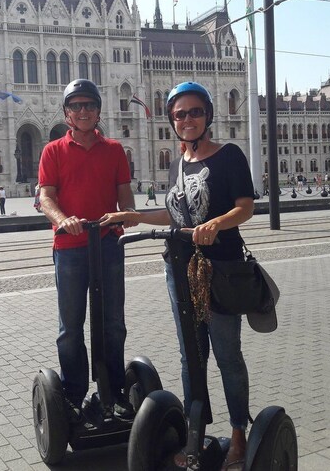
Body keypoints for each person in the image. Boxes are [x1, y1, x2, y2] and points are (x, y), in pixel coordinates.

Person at [101, 81, 255, 469]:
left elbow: (245, 206)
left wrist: (216, 224)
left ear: (207, 115)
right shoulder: (178, 162)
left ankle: (239, 432)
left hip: (219, 268)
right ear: (173, 120)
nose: (187, 119)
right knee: (191, 356)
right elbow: (176, 214)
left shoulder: (229, 156)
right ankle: (195, 435)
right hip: (179, 269)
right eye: (180, 114)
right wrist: (133, 217)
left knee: (226, 354)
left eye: (194, 112)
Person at [38, 78, 137, 422]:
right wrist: (63, 220)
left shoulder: (114, 150)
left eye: (89, 105)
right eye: (76, 106)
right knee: (70, 328)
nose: (83, 111)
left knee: (113, 324)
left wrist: (124, 215)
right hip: (70, 248)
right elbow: (46, 197)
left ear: (97, 112)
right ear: (66, 113)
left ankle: (114, 391)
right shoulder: (52, 151)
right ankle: (74, 393)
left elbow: (126, 198)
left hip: (107, 245)